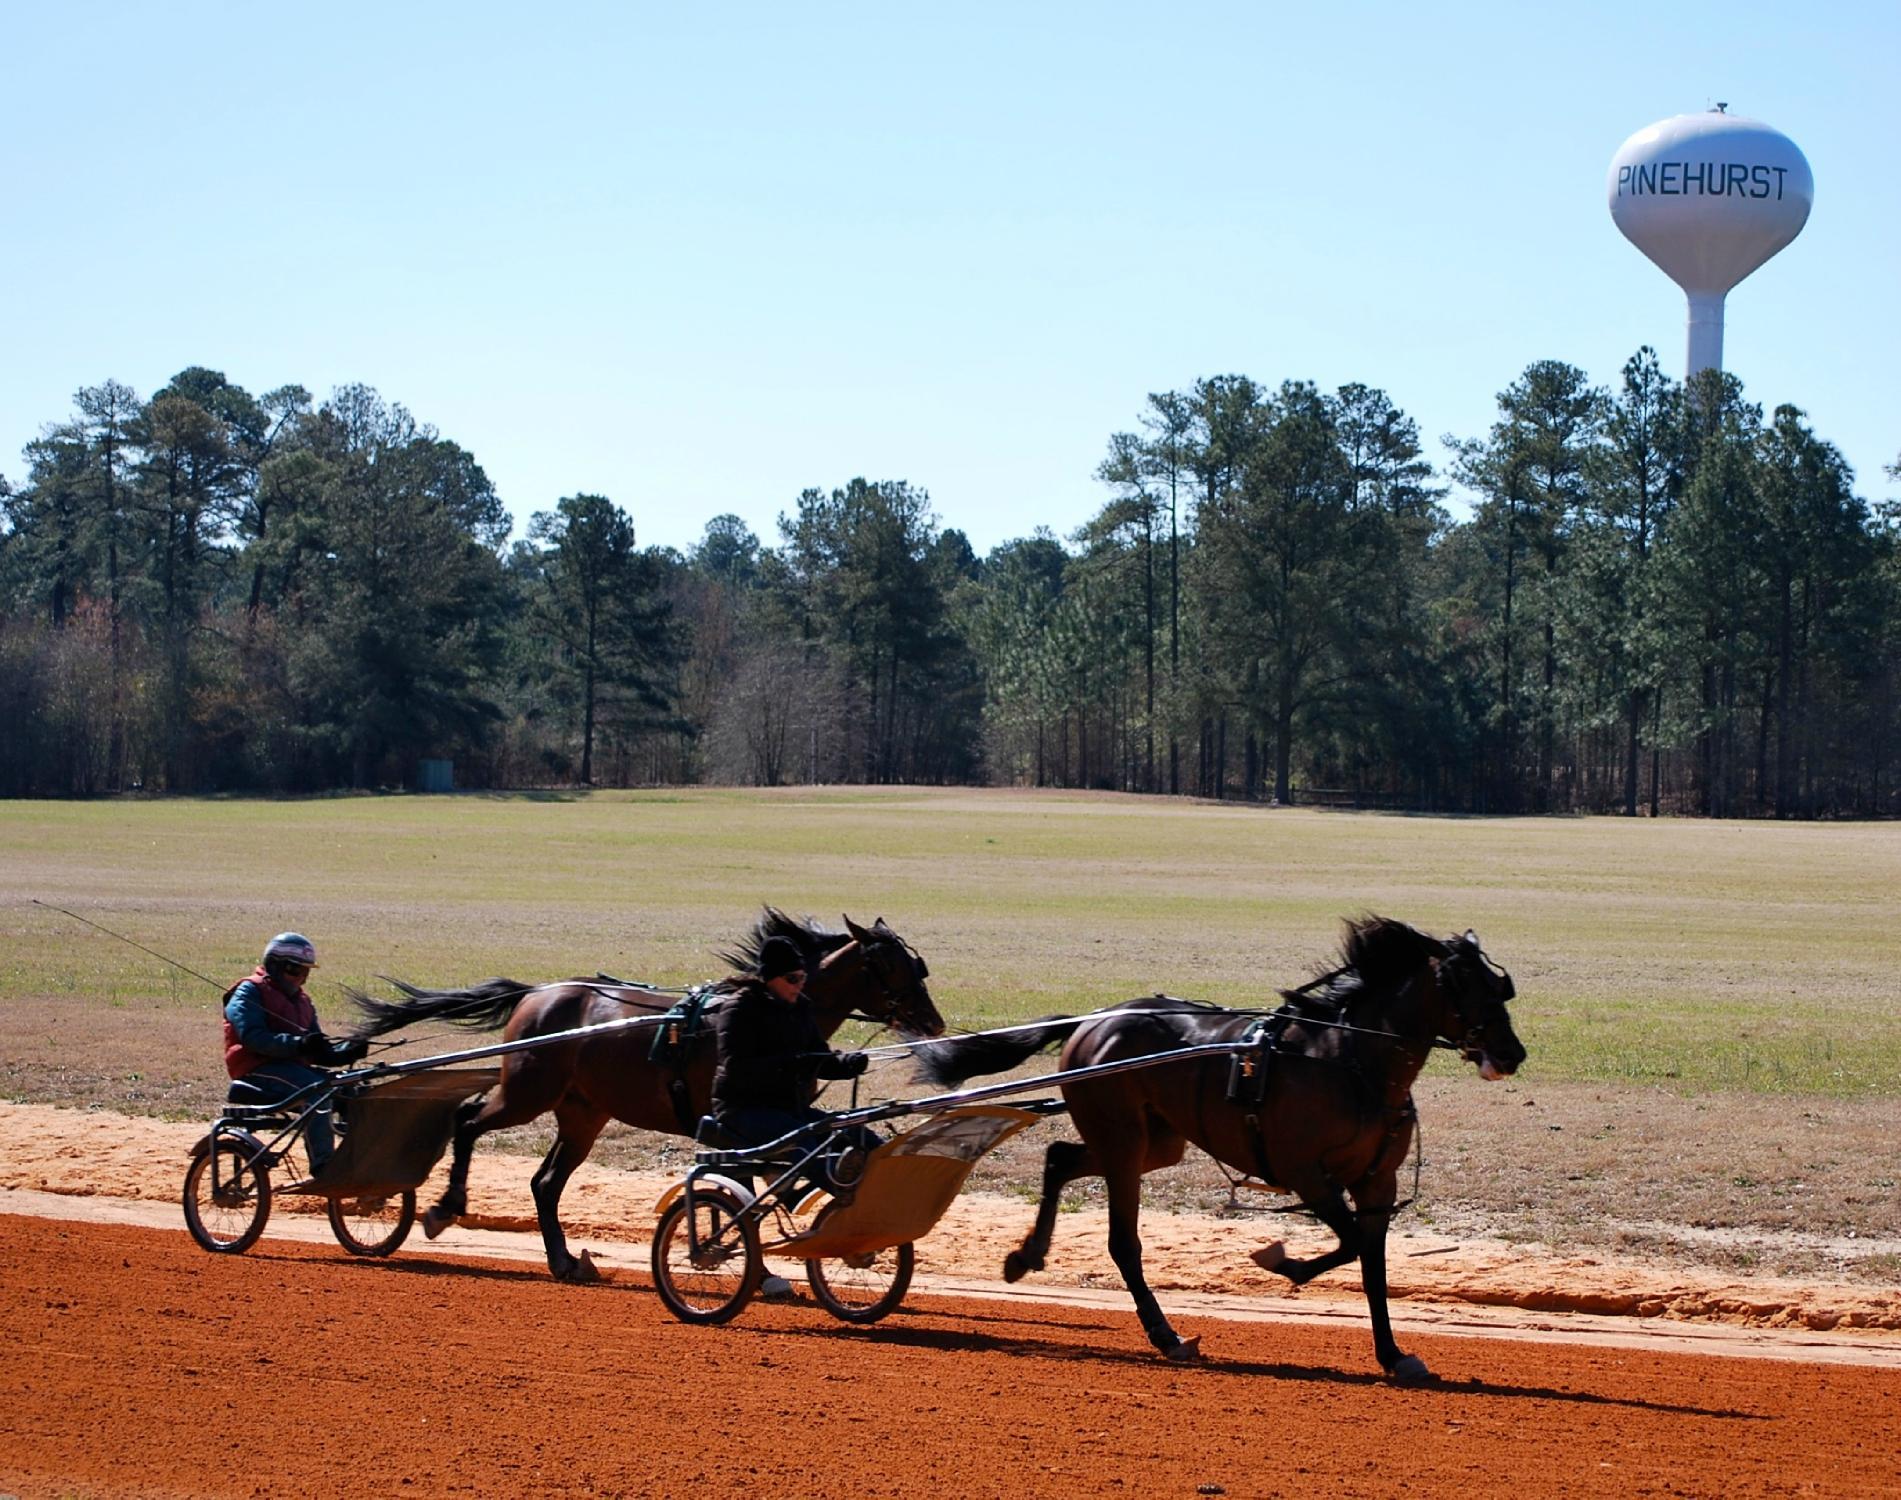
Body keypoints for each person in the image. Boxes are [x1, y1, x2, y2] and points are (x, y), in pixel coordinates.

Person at [710, 935, 875, 1300]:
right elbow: (736, 1069)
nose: (800, 987)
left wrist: (847, 1064)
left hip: (789, 1110)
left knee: (860, 1135)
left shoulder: (800, 1008)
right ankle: (845, 1203)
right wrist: (787, 1065)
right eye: (792, 980)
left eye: (802, 978)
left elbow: (821, 1059)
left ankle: (870, 1194)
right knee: (805, 1143)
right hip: (743, 1110)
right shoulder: (739, 1009)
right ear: (769, 977)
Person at [222, 932, 367, 1176]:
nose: (301, 978)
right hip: (257, 1069)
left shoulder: (303, 1002)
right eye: (294, 970)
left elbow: (318, 1049)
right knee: (317, 1090)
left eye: (305, 973)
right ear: (274, 965)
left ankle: (356, 1160)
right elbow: (253, 1037)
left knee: (351, 1088)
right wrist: (299, 1044)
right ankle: (324, 1167)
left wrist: (346, 1052)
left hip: (295, 1070)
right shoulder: (248, 992)